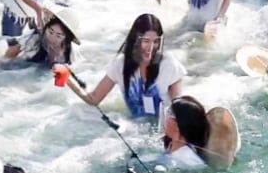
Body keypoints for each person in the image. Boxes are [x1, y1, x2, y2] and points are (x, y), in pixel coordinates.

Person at [57, 14, 185, 121]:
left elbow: (178, 113)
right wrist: (67, 78)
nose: (151, 48)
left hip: (164, 133)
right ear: (135, 39)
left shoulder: (169, 65)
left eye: (156, 42)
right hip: (134, 130)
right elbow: (94, 99)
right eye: (146, 41)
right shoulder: (120, 65)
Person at [4, 7, 80, 67]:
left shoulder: (71, 52)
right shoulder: (35, 39)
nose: (52, 37)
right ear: (46, 27)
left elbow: (76, 69)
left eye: (59, 36)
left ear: (67, 38)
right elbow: (12, 52)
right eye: (50, 32)